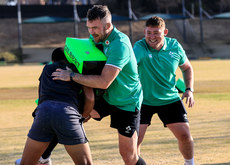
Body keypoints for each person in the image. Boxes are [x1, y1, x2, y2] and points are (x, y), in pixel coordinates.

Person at [52, 5, 146, 165]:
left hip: (126, 101)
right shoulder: (96, 38)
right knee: (68, 113)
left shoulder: (120, 44)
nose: (91, 32)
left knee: (128, 156)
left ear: (108, 26)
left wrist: (72, 76)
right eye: (89, 28)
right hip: (107, 97)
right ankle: (44, 156)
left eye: (95, 28)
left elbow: (104, 82)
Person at [133, 16, 195, 165]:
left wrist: (189, 89)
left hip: (169, 99)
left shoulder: (174, 46)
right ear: (144, 32)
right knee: (135, 142)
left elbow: (187, 68)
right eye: (149, 33)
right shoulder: (139, 47)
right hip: (143, 101)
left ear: (165, 32)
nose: (152, 37)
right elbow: (128, 68)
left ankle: (190, 163)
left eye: (156, 32)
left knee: (185, 136)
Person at [19, 47, 94, 165]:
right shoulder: (77, 71)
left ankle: (44, 158)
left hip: (44, 111)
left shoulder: (47, 68)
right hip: (68, 112)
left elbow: (40, 95)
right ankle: (44, 157)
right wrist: (82, 116)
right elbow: (90, 98)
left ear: (53, 61)